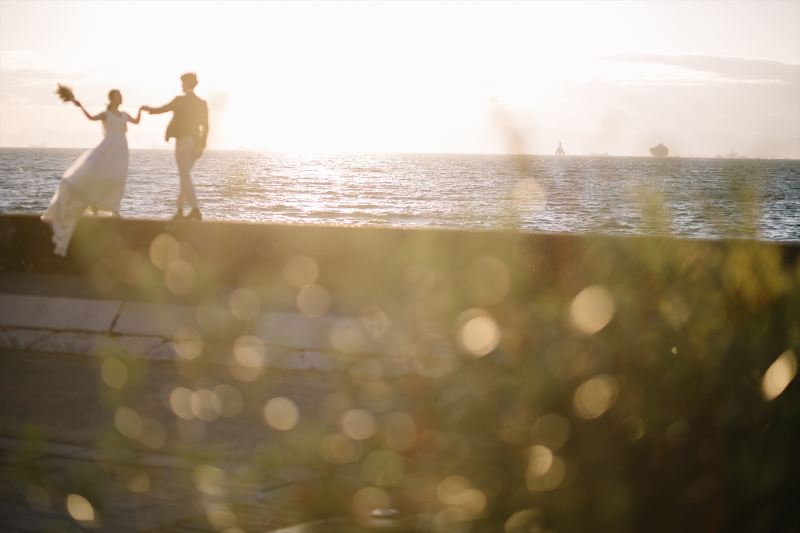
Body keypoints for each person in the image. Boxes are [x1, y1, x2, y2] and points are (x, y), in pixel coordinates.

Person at [42, 90, 142, 256]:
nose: (122, 98)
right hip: (107, 147)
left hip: (121, 150)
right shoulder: (106, 114)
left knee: (117, 177)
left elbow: (136, 121)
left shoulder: (124, 114)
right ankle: (96, 203)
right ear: (113, 98)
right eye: (119, 96)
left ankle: (114, 207)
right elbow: (90, 117)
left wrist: (141, 110)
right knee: (97, 173)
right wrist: (80, 104)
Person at [143, 73, 209, 220]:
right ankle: (179, 210)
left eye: (182, 83)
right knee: (185, 176)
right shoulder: (201, 103)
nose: (181, 85)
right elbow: (205, 126)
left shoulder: (180, 100)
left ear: (186, 83)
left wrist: (149, 109)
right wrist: (201, 145)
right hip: (195, 144)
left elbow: (162, 109)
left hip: (183, 143)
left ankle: (195, 209)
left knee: (184, 175)